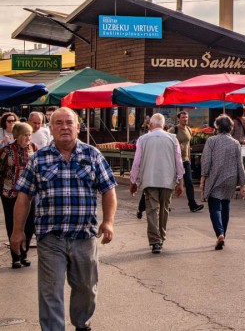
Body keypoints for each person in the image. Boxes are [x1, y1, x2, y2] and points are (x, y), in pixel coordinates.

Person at [11, 107, 117, 331]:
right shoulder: (38, 159)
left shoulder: (92, 155)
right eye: (58, 123)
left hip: (84, 236)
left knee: (87, 288)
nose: (64, 127)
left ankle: (81, 323)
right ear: (51, 128)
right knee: (50, 290)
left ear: (78, 127)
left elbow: (108, 190)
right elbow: (24, 196)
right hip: (51, 238)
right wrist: (17, 230)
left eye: (69, 122)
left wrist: (108, 221)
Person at [129, 113, 184, 254]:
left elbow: (137, 162)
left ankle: (155, 242)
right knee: (164, 208)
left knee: (152, 210)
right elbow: (179, 161)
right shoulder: (173, 139)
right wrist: (180, 181)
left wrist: (133, 181)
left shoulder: (143, 139)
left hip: (149, 180)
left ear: (151, 125)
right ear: (163, 125)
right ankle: (161, 237)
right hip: (167, 179)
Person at [200, 115, 245, 250]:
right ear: (230, 128)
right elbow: (240, 165)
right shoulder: (235, 143)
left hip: (215, 178)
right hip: (231, 179)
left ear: (217, 127)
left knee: (214, 207)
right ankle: (223, 235)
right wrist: (243, 185)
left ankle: (220, 234)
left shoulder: (211, 141)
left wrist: (203, 179)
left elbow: (206, 161)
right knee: (225, 206)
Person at [1, 122, 37, 268]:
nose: (28, 138)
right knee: (13, 224)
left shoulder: (34, 148)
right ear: (17, 136)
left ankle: (24, 253)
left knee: (30, 224)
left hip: (29, 193)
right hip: (10, 193)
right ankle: (15, 257)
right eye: (25, 135)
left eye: (29, 135)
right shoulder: (7, 150)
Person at [168, 111, 204, 214]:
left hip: (185, 160)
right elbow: (167, 142)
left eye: (186, 117)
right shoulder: (173, 130)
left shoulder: (188, 129)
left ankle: (192, 204)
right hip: (174, 160)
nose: (185, 119)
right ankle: (167, 204)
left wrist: (188, 157)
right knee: (171, 182)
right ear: (178, 119)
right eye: (183, 117)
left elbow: (188, 145)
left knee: (189, 182)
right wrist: (177, 145)